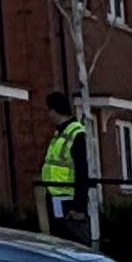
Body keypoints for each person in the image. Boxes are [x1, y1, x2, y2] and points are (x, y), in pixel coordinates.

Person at [39, 91, 94, 236]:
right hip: (56, 198)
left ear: (54, 110)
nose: (48, 115)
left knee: (73, 245)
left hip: (69, 202)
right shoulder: (59, 135)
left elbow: (83, 172)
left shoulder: (76, 134)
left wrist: (79, 207)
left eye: (49, 110)